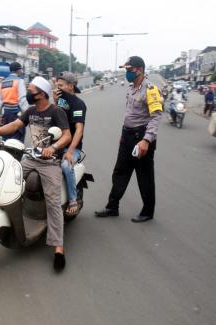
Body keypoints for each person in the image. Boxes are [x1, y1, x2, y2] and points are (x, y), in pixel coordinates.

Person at [0, 76, 72, 271]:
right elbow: (15, 125)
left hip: (50, 162)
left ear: (41, 93)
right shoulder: (31, 111)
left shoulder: (56, 111)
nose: (28, 93)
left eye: (31, 90)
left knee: (53, 202)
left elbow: (67, 135)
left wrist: (54, 147)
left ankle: (58, 248)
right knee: (8, 181)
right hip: (31, 158)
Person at [95, 56, 163, 223]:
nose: (127, 73)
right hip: (127, 136)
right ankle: (112, 207)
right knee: (120, 172)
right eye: (126, 70)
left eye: (129, 70)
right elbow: (129, 115)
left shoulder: (151, 89)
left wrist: (146, 141)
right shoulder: (131, 88)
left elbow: (156, 117)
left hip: (142, 138)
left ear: (139, 70)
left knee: (144, 176)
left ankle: (148, 211)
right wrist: (123, 134)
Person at [53, 71, 87, 216]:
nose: (57, 88)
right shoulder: (61, 100)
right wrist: (55, 101)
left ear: (71, 86)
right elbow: (57, 118)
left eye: (60, 86)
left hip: (72, 146)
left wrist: (69, 151)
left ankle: (72, 199)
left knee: (66, 165)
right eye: (56, 85)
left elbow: (79, 130)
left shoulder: (79, 105)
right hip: (57, 143)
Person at [0, 62, 28, 142]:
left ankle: (6, 152)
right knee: (18, 135)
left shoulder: (2, 82)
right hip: (16, 113)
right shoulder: (19, 81)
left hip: (6, 113)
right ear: (18, 70)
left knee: (6, 134)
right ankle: (15, 153)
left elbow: (0, 100)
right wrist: (27, 113)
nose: (21, 71)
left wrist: (1, 115)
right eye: (21, 69)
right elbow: (22, 99)